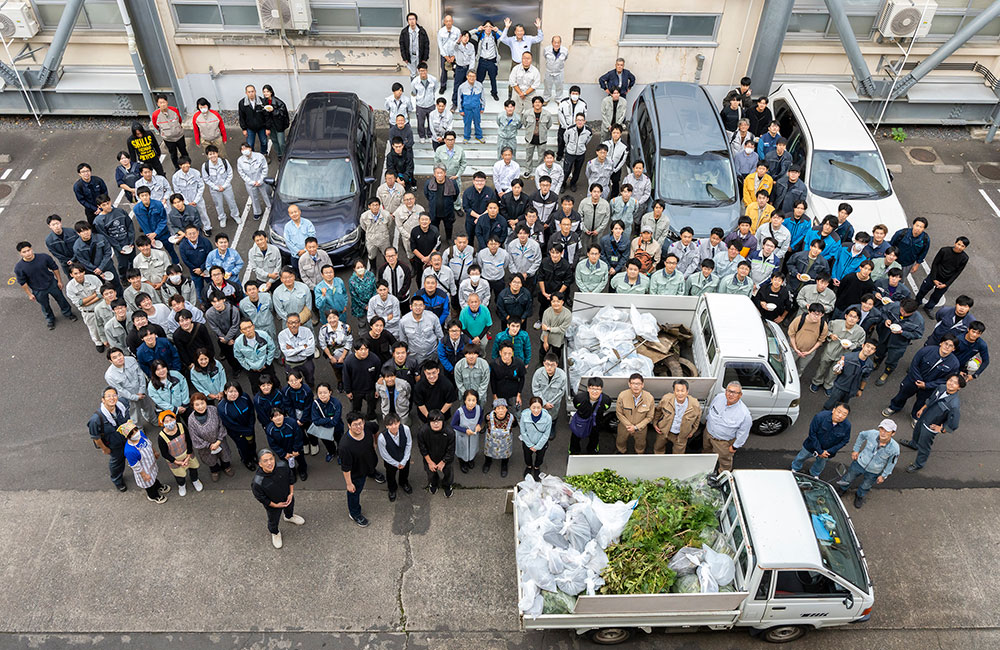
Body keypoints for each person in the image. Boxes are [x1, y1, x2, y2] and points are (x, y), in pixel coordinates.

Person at [882, 336, 959, 420]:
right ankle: (894, 407)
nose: (947, 347)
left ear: (954, 349)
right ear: (941, 343)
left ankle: (915, 415)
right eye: (945, 343)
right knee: (902, 394)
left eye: (950, 346)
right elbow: (914, 364)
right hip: (913, 380)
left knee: (921, 402)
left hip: (929, 388)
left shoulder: (954, 364)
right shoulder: (926, 350)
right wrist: (918, 380)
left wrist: (927, 385)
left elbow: (945, 380)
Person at [903, 373, 964, 472]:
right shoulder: (941, 387)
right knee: (916, 432)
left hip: (930, 426)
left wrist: (942, 429)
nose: (951, 383)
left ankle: (919, 464)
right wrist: (923, 408)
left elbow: (954, 423)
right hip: (924, 417)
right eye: (950, 380)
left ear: (959, 387)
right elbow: (931, 399)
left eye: (955, 383)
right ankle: (913, 444)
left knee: (924, 446)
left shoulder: (954, 404)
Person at [835, 419, 900, 508]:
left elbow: (891, 463)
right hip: (859, 463)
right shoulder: (872, 433)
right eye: (881, 429)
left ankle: (859, 495)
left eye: (887, 431)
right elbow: (861, 435)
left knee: (866, 485)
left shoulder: (895, 448)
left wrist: (884, 475)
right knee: (848, 477)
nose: (883, 433)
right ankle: (842, 489)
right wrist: (856, 450)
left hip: (874, 471)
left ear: (893, 433)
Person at [15, 241, 77, 330]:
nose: (27, 253)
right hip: (38, 290)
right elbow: (22, 282)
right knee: (45, 305)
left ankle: (68, 313)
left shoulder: (44, 257)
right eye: (24, 252)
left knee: (61, 299)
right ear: (20, 253)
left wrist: (59, 281)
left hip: (52, 284)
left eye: (28, 250)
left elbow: (54, 268)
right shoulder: (19, 267)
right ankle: (50, 319)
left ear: (31, 249)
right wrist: (29, 294)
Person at [251, 448, 303, 549]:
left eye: (271, 459)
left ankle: (289, 517)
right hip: (273, 504)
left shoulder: (283, 466)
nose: (269, 463)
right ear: (260, 464)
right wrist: (275, 505)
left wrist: (291, 494)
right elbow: (261, 498)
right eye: (265, 461)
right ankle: (275, 533)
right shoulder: (258, 482)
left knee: (290, 508)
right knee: (273, 520)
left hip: (287, 496)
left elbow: (291, 479)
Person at [873, 298, 925, 386]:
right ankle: (876, 362)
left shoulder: (919, 321)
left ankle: (886, 373)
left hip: (899, 344)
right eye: (902, 310)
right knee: (879, 352)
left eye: (907, 313)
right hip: (885, 336)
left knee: (892, 360)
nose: (903, 314)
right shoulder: (894, 305)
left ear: (914, 312)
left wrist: (902, 333)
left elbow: (918, 335)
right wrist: (886, 319)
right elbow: (883, 311)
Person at [88, 387, 131, 492]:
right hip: (114, 445)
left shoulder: (123, 404)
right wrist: (104, 448)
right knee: (117, 462)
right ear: (103, 400)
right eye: (108, 396)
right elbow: (96, 437)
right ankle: (117, 480)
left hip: (128, 438)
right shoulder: (96, 419)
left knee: (133, 455)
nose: (112, 398)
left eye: (114, 395)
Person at [790, 404, 852, 478]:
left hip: (827, 453)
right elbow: (812, 434)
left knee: (820, 465)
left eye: (844, 414)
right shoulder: (820, 417)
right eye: (839, 412)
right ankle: (795, 468)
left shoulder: (847, 426)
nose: (840, 415)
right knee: (801, 457)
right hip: (811, 446)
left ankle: (814, 474)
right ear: (833, 410)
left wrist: (829, 451)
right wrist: (820, 451)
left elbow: (845, 441)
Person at [703, 382, 752, 474]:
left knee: (725, 461)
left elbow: (743, 434)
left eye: (735, 392)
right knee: (706, 451)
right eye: (729, 391)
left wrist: (734, 447)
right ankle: (705, 467)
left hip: (723, 442)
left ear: (740, 395)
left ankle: (722, 476)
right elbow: (711, 410)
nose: (731, 394)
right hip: (708, 434)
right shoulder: (719, 397)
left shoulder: (744, 415)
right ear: (725, 391)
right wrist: (707, 421)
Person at [187, 392, 233, 482]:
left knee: (225, 456)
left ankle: (226, 467)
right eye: (197, 405)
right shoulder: (191, 419)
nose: (200, 407)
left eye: (202, 403)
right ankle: (215, 471)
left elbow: (221, 424)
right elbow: (194, 437)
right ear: (193, 406)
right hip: (205, 448)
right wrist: (209, 445)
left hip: (220, 441)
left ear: (206, 402)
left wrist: (219, 440)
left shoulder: (213, 410)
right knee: (211, 461)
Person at [916, 236, 969, 314]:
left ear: (965, 247)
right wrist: (934, 278)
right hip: (935, 275)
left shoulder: (964, 258)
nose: (959, 247)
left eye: (962, 246)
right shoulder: (944, 250)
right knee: (923, 290)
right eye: (958, 244)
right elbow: (935, 263)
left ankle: (928, 307)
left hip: (945, 281)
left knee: (936, 296)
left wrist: (946, 284)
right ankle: (917, 302)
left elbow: (957, 273)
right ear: (955, 243)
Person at [121, 421, 169, 504]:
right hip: (144, 470)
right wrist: (144, 475)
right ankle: (153, 496)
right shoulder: (129, 450)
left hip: (151, 464)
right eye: (132, 433)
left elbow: (149, 444)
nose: (136, 433)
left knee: (153, 477)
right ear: (128, 437)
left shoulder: (141, 435)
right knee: (149, 484)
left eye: (136, 430)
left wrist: (154, 452)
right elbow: (135, 465)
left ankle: (158, 486)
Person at [156, 410, 202, 495]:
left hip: (187, 454)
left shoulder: (181, 426)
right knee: (179, 476)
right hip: (174, 460)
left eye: (171, 420)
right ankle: (181, 485)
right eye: (166, 421)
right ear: (162, 423)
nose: (169, 423)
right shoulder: (161, 437)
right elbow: (164, 453)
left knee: (193, 469)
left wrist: (188, 455)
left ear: (175, 419)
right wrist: (177, 462)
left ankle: (195, 480)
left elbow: (188, 439)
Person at [652, 379, 703, 455]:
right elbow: (658, 411)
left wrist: (692, 432)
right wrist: (655, 423)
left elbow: (697, 420)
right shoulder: (666, 399)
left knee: (678, 454)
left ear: (687, 392)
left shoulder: (695, 405)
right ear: (674, 391)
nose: (680, 393)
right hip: (664, 431)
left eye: (682, 391)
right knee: (658, 447)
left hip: (682, 435)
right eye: (677, 391)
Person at [218, 382, 257, 470]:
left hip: (249, 428)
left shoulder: (244, 397)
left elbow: (251, 411)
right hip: (237, 433)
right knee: (243, 447)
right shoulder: (222, 407)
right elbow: (230, 424)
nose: (233, 394)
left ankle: (254, 455)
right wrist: (246, 431)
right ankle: (247, 460)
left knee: (252, 443)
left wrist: (251, 426)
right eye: (230, 391)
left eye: (236, 391)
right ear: (225, 392)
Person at [234, 319, 278, 391]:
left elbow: (272, 348)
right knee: (255, 387)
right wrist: (248, 367)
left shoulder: (264, 335)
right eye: (245, 329)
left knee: (274, 382)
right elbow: (238, 356)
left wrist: (267, 363)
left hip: (266, 366)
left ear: (253, 326)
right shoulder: (238, 342)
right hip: (252, 370)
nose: (248, 330)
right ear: (241, 331)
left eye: (249, 327)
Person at [399, 295, 444, 364]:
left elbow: (440, 336)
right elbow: (403, 339)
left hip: (431, 354)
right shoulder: (403, 321)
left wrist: (439, 350)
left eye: (420, 305)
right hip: (414, 356)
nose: (418, 308)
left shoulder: (432, 317)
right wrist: (407, 352)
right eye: (415, 305)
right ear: (411, 307)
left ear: (424, 307)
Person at [266, 408, 306, 482]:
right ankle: (292, 474)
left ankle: (302, 471)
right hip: (284, 452)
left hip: (296, 449)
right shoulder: (270, 430)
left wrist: (296, 449)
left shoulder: (292, 423)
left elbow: (298, 436)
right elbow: (273, 444)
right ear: (271, 419)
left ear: (283, 415)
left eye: (280, 415)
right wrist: (283, 454)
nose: (278, 418)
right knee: (287, 465)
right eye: (275, 416)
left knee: (301, 461)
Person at [308, 382, 344, 462]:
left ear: (330, 392)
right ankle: (331, 452)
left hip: (337, 428)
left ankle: (340, 455)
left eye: (325, 392)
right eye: (320, 393)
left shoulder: (336, 403)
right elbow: (315, 421)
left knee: (340, 442)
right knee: (327, 443)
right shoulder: (315, 404)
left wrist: (323, 422)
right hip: (324, 430)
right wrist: (329, 419)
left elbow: (335, 422)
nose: (322, 395)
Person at [788, 303, 829, 372]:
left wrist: (809, 352)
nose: (816, 317)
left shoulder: (823, 325)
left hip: (809, 352)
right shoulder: (799, 320)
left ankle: (798, 376)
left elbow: (820, 341)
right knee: (788, 365)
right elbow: (791, 335)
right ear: (809, 312)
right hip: (793, 349)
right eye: (814, 314)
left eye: (819, 315)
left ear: (822, 315)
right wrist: (796, 349)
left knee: (801, 368)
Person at [151, 94, 188, 170]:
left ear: (167, 102)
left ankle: (187, 164)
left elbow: (179, 120)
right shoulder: (155, 114)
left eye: (164, 102)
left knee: (183, 151)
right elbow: (156, 125)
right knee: (173, 154)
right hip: (168, 139)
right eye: (160, 103)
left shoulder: (174, 110)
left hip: (179, 136)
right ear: (157, 104)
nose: (163, 104)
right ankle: (177, 167)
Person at [451, 389, 484, 473]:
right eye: (469, 400)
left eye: (473, 400)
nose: (471, 403)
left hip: (473, 435)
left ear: (477, 401)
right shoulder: (459, 412)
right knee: (462, 450)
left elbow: (480, 418)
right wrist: (465, 430)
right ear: (464, 401)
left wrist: (479, 425)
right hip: (462, 436)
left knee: (473, 448)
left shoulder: (479, 409)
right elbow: (453, 425)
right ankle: (462, 463)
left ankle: (470, 459)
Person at [237, 141, 271, 221]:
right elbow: (242, 173)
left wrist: (261, 180)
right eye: (242, 149)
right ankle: (257, 212)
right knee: (254, 197)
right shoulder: (240, 160)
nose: (245, 150)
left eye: (246, 148)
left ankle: (271, 208)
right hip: (250, 183)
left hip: (261, 181)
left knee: (266, 195)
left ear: (250, 148)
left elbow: (265, 168)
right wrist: (251, 182)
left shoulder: (259, 156)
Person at [520, 397, 552, 480]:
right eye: (533, 407)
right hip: (527, 442)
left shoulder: (548, 418)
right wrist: (530, 445)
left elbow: (546, 435)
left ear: (542, 407)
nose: (536, 410)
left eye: (538, 407)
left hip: (541, 443)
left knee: (540, 457)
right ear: (529, 407)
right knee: (527, 456)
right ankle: (529, 466)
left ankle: (537, 467)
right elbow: (523, 431)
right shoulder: (524, 416)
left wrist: (537, 446)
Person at [531, 353, 567, 425]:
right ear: (544, 363)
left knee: (552, 417)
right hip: (540, 401)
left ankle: (552, 425)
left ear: (556, 365)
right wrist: (544, 403)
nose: (549, 367)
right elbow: (535, 389)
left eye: (552, 365)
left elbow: (561, 392)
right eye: (547, 364)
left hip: (554, 404)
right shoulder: (538, 373)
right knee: (539, 415)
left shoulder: (562, 376)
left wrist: (550, 403)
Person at [457, 70, 486, 143]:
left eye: (473, 76)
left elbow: (482, 97)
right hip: (467, 109)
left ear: (476, 77)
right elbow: (459, 99)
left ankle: (479, 136)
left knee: (477, 122)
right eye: (470, 76)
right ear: (467, 76)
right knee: (467, 123)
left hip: (476, 108)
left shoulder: (480, 85)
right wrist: (460, 110)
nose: (471, 78)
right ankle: (466, 137)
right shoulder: (462, 87)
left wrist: (482, 107)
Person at [509, 52, 541, 116]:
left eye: (528, 58)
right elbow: (513, 82)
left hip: (530, 94)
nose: (526, 60)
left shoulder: (535, 71)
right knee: (515, 113)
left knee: (530, 113)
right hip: (517, 93)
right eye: (524, 58)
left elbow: (535, 85)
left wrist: (525, 93)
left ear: (531, 60)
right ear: (521, 59)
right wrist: (521, 93)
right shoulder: (516, 69)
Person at [399, 11, 430, 76]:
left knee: (421, 72)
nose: (412, 21)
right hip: (410, 56)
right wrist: (404, 58)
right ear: (408, 21)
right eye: (410, 19)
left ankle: (420, 82)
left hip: (419, 56)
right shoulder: (404, 32)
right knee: (412, 73)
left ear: (416, 20)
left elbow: (426, 44)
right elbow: (402, 46)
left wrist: (425, 58)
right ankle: (413, 82)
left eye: (413, 19)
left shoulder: (421, 31)